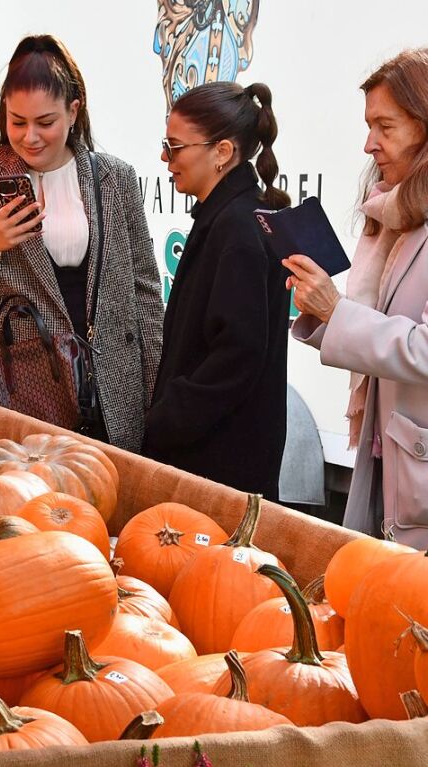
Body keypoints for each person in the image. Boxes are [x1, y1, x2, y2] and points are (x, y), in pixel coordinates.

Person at [0, 34, 164, 452]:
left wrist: (153, 387)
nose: (29, 137)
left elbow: (145, 290)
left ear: (73, 112)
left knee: (107, 499)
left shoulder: (114, 177)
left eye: (45, 122)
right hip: (19, 384)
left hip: (110, 383)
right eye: (17, 121)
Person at [285, 48, 428, 547]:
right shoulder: (396, 214)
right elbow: (381, 323)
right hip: (391, 462)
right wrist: (321, 312)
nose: (369, 144)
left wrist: (337, 312)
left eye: (385, 127)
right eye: (369, 126)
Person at [142, 81, 291, 499]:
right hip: (218, 457)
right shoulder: (230, 218)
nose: (164, 158)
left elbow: (237, 352)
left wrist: (167, 418)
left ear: (222, 153)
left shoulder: (237, 228)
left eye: (175, 147)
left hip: (218, 466)